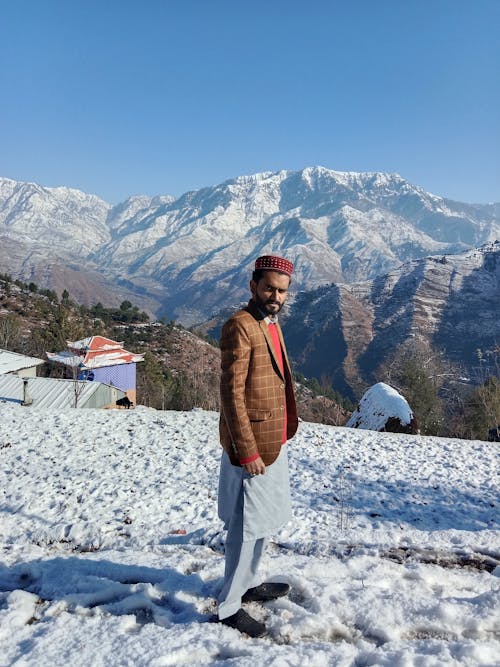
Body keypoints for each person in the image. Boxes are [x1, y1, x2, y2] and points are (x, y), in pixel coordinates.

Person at [217, 254, 299, 637]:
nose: (275, 296)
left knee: (261, 519)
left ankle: (248, 584)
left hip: (273, 440)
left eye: (281, 290)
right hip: (251, 446)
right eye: (269, 288)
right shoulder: (240, 325)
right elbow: (231, 394)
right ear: (253, 286)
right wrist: (246, 450)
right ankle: (229, 606)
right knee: (245, 525)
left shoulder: (271, 323)